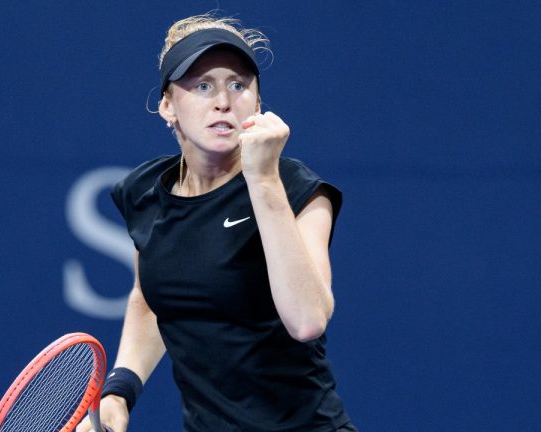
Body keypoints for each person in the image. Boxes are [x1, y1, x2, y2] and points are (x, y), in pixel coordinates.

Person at [77, 13, 355, 432]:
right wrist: (120, 391)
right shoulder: (144, 191)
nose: (223, 100)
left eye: (238, 85)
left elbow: (308, 320)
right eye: (203, 85)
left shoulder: (295, 187)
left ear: (258, 105)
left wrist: (263, 178)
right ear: (167, 106)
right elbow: (152, 298)